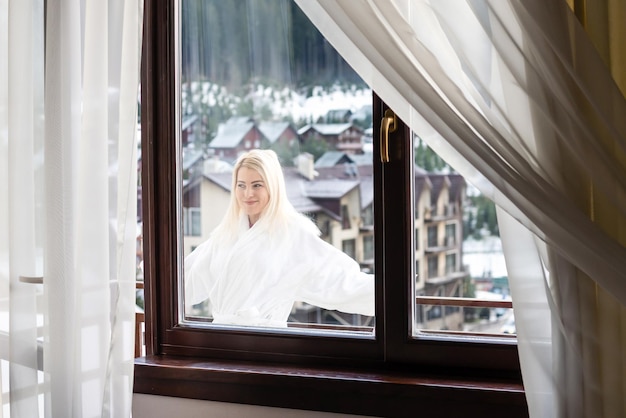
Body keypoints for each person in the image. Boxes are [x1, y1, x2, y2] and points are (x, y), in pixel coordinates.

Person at [184, 149, 374, 328]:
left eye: (257, 185)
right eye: (241, 185)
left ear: (273, 187)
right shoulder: (225, 235)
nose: (247, 194)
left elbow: (341, 282)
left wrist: (395, 296)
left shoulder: (292, 235)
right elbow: (185, 279)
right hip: (219, 341)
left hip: (267, 343)